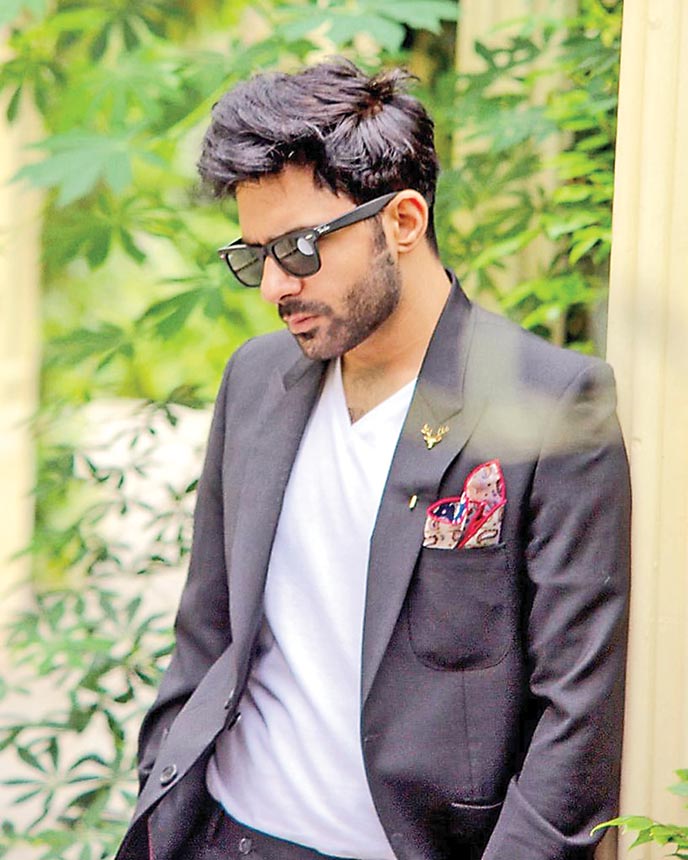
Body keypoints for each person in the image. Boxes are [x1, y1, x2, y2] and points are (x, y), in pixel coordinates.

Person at [114, 60, 630, 860]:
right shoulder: (255, 381)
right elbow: (206, 631)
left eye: (299, 248)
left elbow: (579, 720)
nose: (274, 286)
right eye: (254, 255)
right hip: (227, 836)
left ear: (403, 221)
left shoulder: (553, 403)